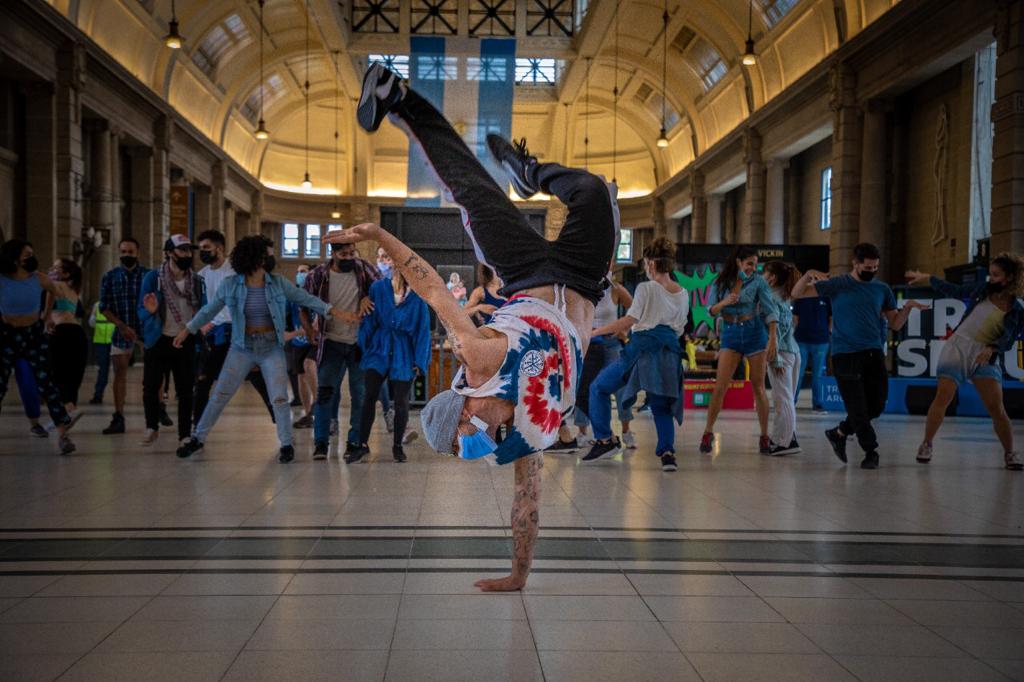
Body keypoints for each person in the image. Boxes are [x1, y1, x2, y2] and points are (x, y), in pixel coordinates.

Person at [331, 62, 618, 591]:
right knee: (595, 194)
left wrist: (379, 236)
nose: (482, 438)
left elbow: (432, 288)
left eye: (468, 432)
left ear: (465, 405)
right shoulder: (529, 431)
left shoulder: (477, 355)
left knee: (472, 189)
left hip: (523, 270)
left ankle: (411, 104)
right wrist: (517, 574)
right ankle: (538, 179)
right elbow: (526, 501)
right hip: (582, 277)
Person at [175, 235, 350, 462]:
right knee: (220, 395)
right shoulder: (231, 285)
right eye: (267, 253)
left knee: (279, 397)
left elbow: (306, 298)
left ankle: (286, 445)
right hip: (242, 347)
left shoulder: (277, 283)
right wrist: (187, 330)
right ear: (255, 258)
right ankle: (197, 438)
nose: (271, 257)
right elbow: (208, 311)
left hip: (270, 348)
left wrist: (335, 312)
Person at [792, 242, 927, 469]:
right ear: (855, 264)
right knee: (857, 407)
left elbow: (894, 323)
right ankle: (871, 451)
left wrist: (908, 308)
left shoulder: (881, 289)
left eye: (875, 268)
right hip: (845, 354)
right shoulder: (837, 285)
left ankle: (839, 432)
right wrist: (807, 275)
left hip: (873, 352)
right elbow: (796, 294)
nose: (871, 272)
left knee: (876, 405)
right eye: (867, 267)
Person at [906, 253, 1024, 470]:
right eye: (990, 274)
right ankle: (926, 443)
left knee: (996, 407)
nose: (991, 279)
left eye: (995, 275)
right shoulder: (983, 290)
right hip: (959, 347)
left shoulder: (1017, 309)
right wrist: (929, 277)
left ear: (1008, 278)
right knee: (943, 396)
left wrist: (992, 348)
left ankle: (1010, 453)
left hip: (986, 354)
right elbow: (956, 291)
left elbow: (1008, 340)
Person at [582, 238, 689, 471]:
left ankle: (605, 440)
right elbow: (679, 328)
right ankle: (668, 454)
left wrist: (596, 331)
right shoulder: (683, 293)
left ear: (650, 263)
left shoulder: (646, 288)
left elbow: (631, 319)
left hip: (641, 352)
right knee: (661, 405)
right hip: (669, 352)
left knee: (598, 387)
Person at [301, 240, 379, 461]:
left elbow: (383, 291)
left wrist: (367, 297)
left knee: (360, 395)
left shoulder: (364, 268)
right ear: (333, 253)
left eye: (352, 253)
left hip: (358, 343)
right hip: (331, 342)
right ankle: (321, 442)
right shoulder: (318, 276)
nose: (349, 258)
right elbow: (303, 305)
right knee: (325, 393)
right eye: (343, 254)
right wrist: (309, 332)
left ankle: (354, 442)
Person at [0, 239, 78, 454]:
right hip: (7, 334)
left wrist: (46, 316)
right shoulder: (2, 279)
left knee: (46, 382)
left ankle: (63, 434)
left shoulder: (38, 278)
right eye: (27, 254)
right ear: (13, 257)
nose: (31, 257)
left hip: (33, 333)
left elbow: (53, 290)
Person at [192, 230, 274, 428]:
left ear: (219, 248)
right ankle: (198, 426)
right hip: (214, 336)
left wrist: (212, 322)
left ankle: (278, 416)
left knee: (255, 375)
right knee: (203, 380)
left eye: (207, 248)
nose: (203, 252)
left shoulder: (235, 271)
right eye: (201, 248)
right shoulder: (201, 276)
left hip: (237, 331)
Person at [700, 246, 777, 455]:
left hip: (754, 333)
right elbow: (711, 310)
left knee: (758, 386)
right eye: (750, 263)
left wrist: (772, 339)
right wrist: (725, 301)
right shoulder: (721, 281)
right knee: (720, 385)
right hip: (731, 333)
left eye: (755, 264)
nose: (753, 267)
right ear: (738, 262)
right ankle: (708, 432)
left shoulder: (759, 282)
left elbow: (770, 310)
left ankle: (764, 436)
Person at [547, 280, 635, 452]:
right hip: (587, 342)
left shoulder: (615, 289)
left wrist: (626, 329)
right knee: (585, 386)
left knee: (619, 387)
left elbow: (635, 309)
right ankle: (583, 432)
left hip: (611, 342)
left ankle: (626, 430)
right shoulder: (581, 287)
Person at [355, 266, 431, 462]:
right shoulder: (379, 288)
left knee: (401, 401)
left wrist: (419, 361)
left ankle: (397, 446)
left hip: (404, 351)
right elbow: (370, 319)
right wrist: (364, 346)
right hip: (379, 348)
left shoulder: (418, 298)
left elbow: (423, 331)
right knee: (369, 396)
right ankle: (361, 444)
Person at [137, 234, 206, 446]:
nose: (187, 254)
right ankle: (152, 426)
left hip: (185, 339)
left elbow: (204, 308)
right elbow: (141, 309)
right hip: (159, 339)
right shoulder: (153, 278)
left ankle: (184, 433)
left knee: (185, 390)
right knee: (151, 385)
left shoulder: (196, 281)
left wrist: (200, 327)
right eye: (182, 250)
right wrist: (150, 311)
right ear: (169, 253)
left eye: (189, 250)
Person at [98, 237, 149, 435]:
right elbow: (104, 307)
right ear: (119, 253)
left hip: (146, 331)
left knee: (154, 372)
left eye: (131, 252)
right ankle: (118, 416)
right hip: (121, 332)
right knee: (119, 373)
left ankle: (157, 410)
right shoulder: (109, 277)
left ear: (138, 253)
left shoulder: (148, 275)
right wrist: (121, 325)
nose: (127, 255)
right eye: (123, 252)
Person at [761, 261, 802, 456]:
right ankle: (787, 437)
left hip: (782, 354)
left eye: (764, 273)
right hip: (793, 351)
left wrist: (775, 357)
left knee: (782, 399)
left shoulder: (772, 298)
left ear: (772, 278)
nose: (762, 277)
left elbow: (779, 329)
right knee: (788, 398)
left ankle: (785, 443)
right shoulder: (785, 298)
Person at [45, 258, 88, 417]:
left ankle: (65, 411)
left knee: (57, 372)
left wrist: (46, 317)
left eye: (55, 268)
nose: (51, 269)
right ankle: (69, 408)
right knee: (72, 374)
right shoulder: (74, 290)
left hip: (62, 332)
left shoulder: (55, 285)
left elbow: (45, 310)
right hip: (78, 333)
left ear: (65, 273)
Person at [288, 265, 318, 428]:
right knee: (300, 376)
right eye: (298, 271)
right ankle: (308, 415)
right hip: (298, 342)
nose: (300, 274)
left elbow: (314, 325)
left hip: (314, 340)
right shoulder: (292, 296)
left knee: (309, 365)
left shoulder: (317, 293)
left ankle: (317, 405)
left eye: (304, 271)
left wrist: (292, 334)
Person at [792, 293, 831, 413]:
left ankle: (817, 405)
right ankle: (791, 403)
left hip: (821, 341)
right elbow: (795, 316)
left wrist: (828, 332)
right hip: (801, 340)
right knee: (798, 374)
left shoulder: (826, 297)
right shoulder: (801, 295)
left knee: (817, 375)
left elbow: (831, 317)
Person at [88, 301, 115, 404]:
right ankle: (98, 395)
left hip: (113, 340)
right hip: (102, 341)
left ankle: (118, 395)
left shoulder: (114, 303)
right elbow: (91, 323)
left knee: (115, 371)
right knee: (103, 370)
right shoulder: (97, 305)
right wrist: (94, 313)